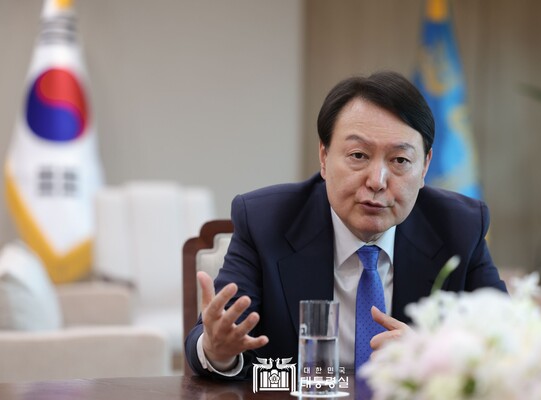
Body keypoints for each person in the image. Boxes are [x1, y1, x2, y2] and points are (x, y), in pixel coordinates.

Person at [185, 71, 507, 380]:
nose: (377, 181)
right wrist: (217, 351)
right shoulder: (266, 222)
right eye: (358, 155)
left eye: (400, 160)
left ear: (424, 167)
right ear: (324, 157)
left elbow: (507, 344)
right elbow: (215, 337)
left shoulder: (459, 228)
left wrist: (432, 356)